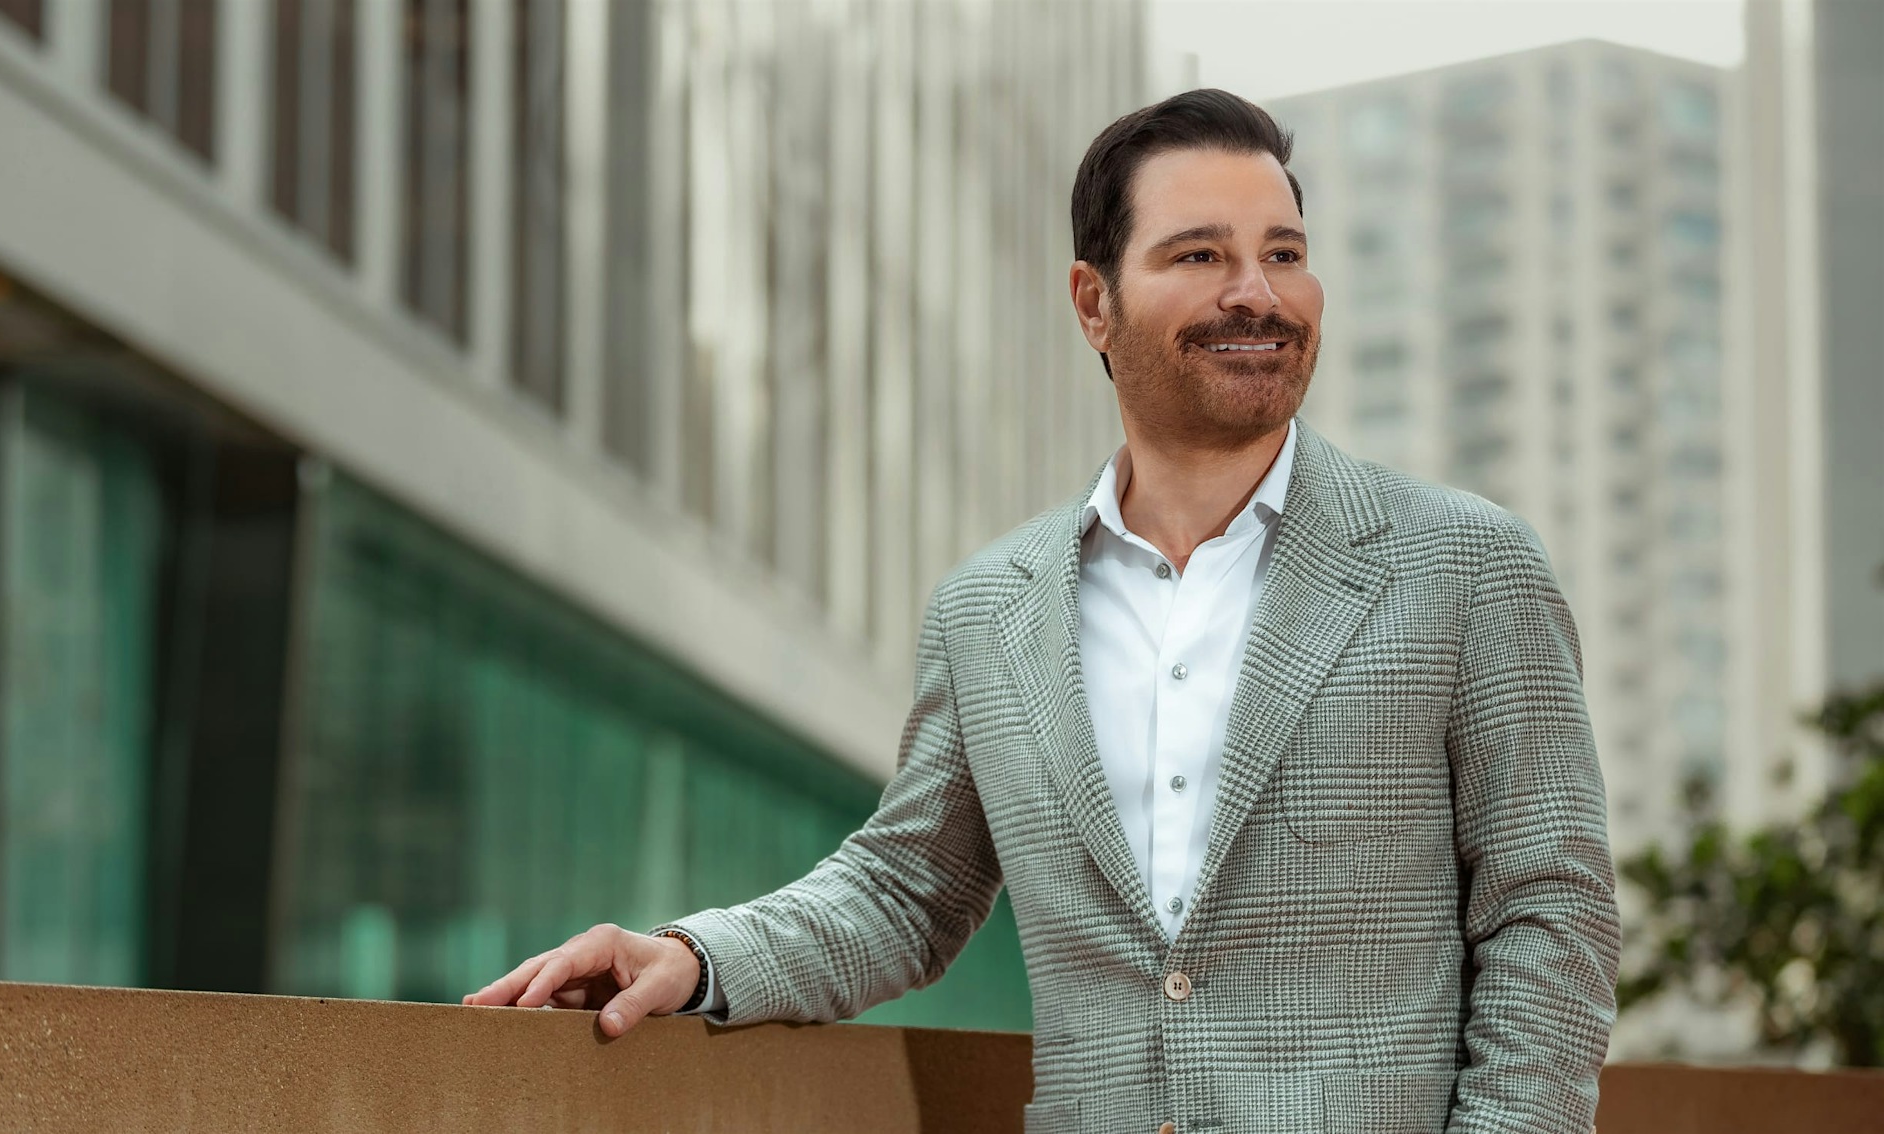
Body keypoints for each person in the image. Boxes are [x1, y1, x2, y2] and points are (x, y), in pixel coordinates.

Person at [466, 89, 1619, 1133]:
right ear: (1092, 303)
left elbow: (1549, 917)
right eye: (1200, 253)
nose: (1257, 293)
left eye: (1283, 253)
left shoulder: (1465, 565)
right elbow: (907, 890)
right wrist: (693, 956)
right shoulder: (988, 610)